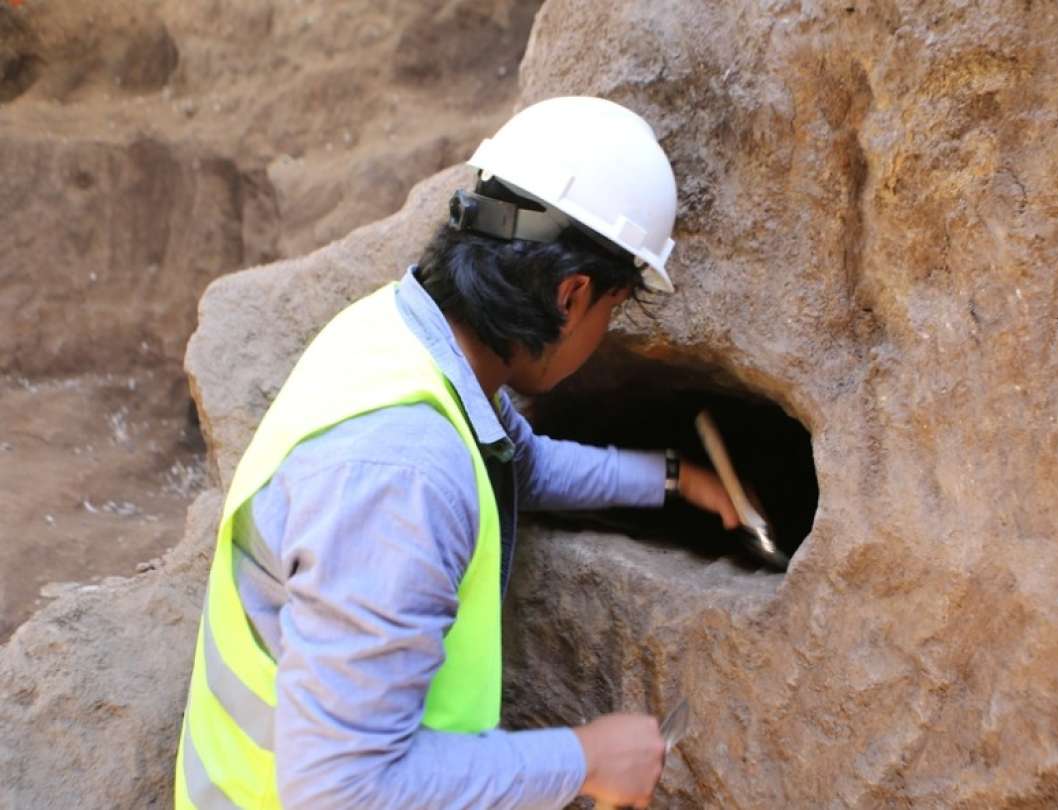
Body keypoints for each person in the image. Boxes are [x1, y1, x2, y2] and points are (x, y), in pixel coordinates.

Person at [174, 96, 739, 810]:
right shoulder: (403, 476)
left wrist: (669, 479)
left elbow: (517, 460)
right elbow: (342, 791)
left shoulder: (399, 338)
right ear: (572, 296)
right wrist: (583, 759)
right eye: (614, 310)